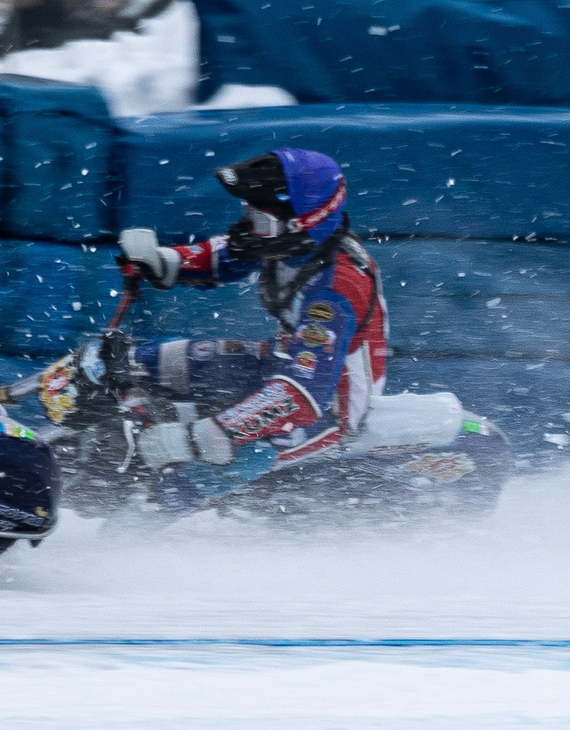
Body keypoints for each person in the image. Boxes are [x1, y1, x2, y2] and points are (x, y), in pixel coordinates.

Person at [112, 150, 389, 514]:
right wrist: (164, 260)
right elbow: (224, 255)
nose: (246, 225)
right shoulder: (288, 243)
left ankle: (136, 533)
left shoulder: (337, 288)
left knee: (242, 452)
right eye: (247, 211)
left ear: (301, 223)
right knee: (141, 361)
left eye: (257, 217)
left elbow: (301, 396)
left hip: (328, 405)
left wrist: (199, 438)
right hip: (282, 362)